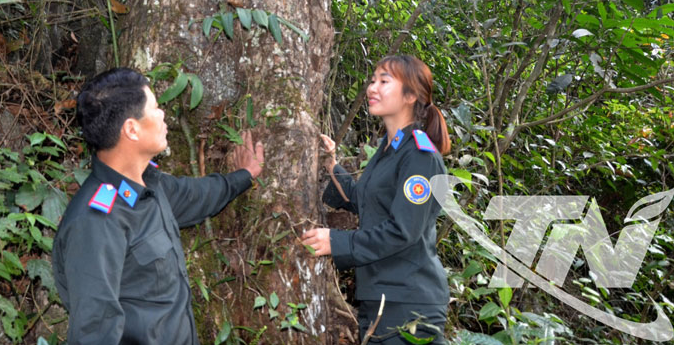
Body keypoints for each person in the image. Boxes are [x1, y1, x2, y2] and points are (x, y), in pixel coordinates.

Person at [52, 68, 265, 344]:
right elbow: (93, 334)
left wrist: (245, 175)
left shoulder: (149, 185)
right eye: (155, 108)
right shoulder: (96, 223)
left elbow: (200, 195)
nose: (163, 114)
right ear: (131, 128)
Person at [300, 55, 451, 344]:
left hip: (408, 304)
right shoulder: (389, 149)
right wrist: (331, 165)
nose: (372, 88)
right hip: (380, 297)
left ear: (410, 95)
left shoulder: (420, 156)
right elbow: (364, 200)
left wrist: (337, 241)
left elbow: (402, 231)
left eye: (384, 81)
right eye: (372, 80)